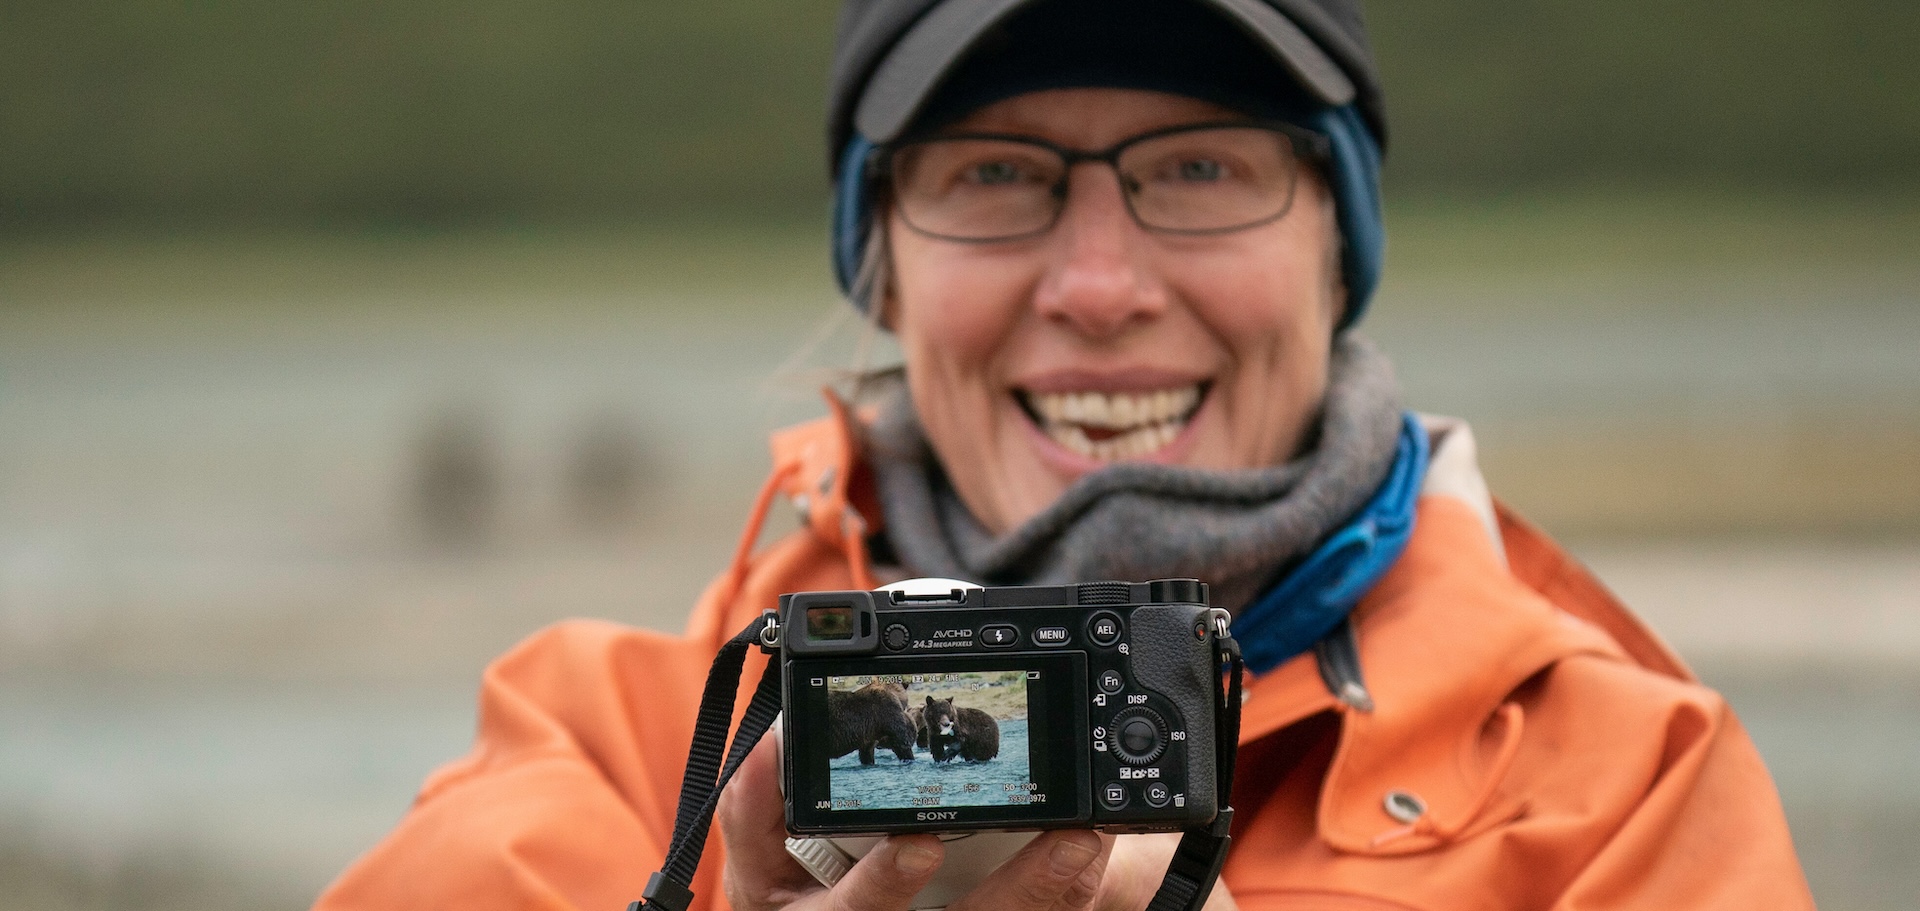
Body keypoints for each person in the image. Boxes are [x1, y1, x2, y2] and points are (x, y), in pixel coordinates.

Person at [315, 1, 1815, 909]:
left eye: (1202, 166)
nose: (1098, 286)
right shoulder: (611, 755)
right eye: (995, 174)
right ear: (883, 265)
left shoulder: (1628, 793)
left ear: (1335, 249)